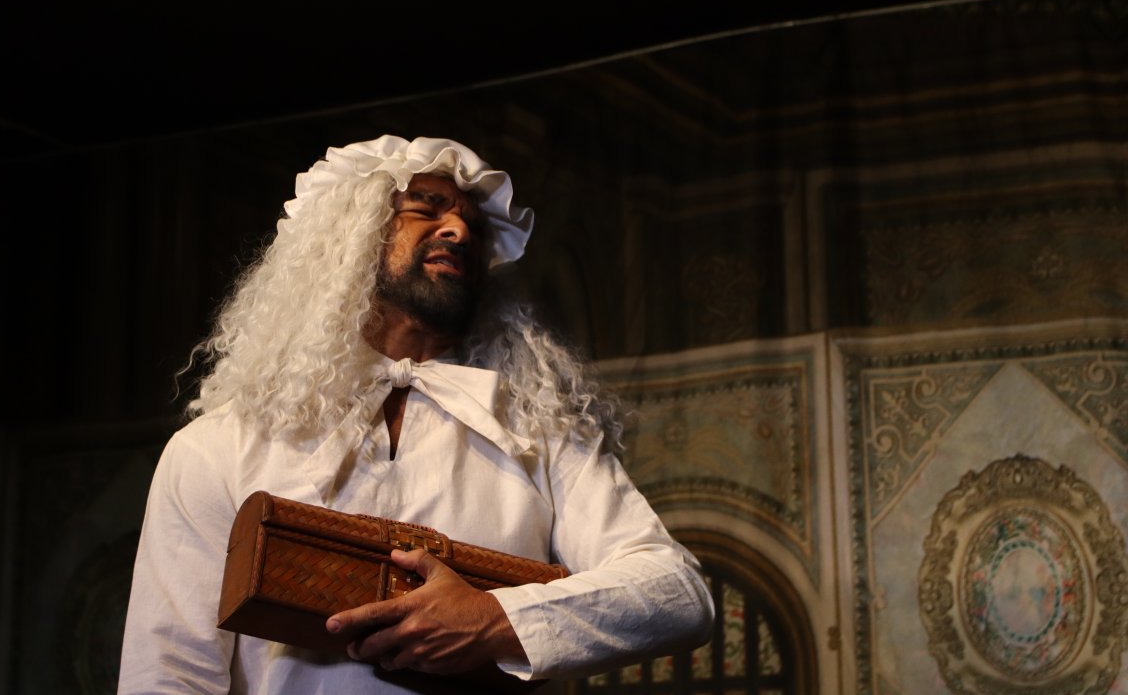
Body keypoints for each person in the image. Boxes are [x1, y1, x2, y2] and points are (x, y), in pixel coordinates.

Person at [117, 136, 714, 694]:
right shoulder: (220, 444)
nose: (459, 229)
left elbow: (677, 593)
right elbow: (169, 670)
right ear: (349, 236)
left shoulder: (541, 435)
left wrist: (493, 619)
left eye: (474, 225)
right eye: (426, 208)